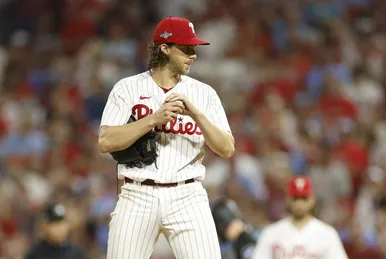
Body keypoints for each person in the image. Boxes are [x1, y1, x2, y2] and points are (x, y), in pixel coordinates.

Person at [98, 16, 234, 259]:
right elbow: (106, 141)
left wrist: (197, 115)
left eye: (194, 48)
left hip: (188, 195)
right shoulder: (127, 88)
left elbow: (227, 149)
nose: (193, 54)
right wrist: (153, 119)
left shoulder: (204, 94)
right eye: (186, 48)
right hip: (138, 193)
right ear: (165, 48)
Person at [252, 176, 349, 259]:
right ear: (288, 200)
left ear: (312, 200)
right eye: (295, 198)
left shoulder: (327, 233)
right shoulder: (271, 232)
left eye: (303, 198)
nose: (299, 204)